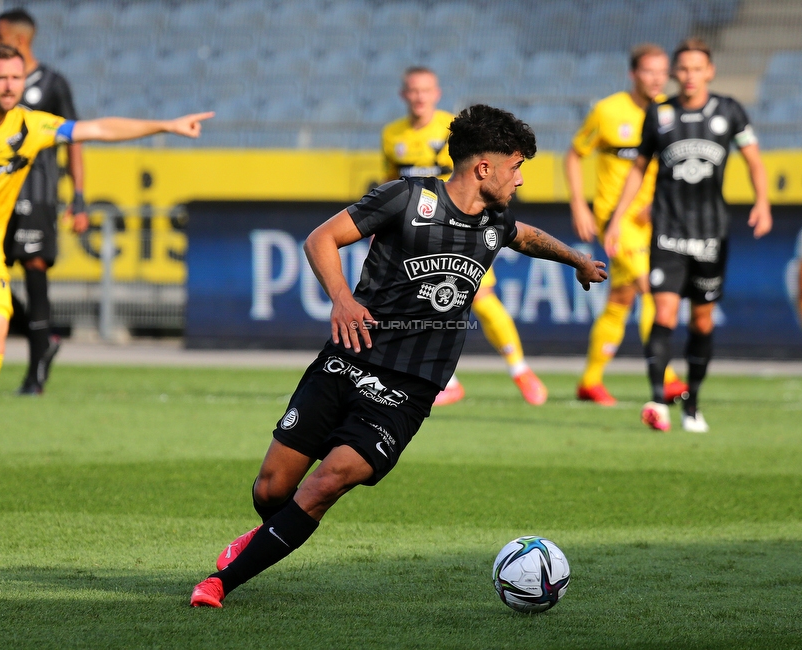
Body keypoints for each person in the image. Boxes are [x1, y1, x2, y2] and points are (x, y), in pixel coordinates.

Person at [191, 104, 607, 607]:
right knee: (271, 491)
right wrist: (343, 299)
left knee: (329, 481)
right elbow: (321, 238)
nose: (519, 180)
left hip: (408, 388)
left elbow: (528, 237)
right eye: (516, 166)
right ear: (483, 168)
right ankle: (263, 538)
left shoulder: (495, 223)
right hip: (346, 360)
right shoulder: (406, 197)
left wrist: (579, 260)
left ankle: (220, 583)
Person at [0, 44, 212, 469]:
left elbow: (98, 130)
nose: (9, 87)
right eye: (0, 78)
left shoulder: (32, 126)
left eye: (16, 78)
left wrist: (165, 125)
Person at [605, 38, 772, 433]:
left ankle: (692, 402)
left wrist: (762, 201)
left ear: (710, 72)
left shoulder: (729, 111)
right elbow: (637, 169)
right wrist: (617, 218)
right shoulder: (659, 115)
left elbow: (753, 159)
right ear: (674, 74)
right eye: (683, 69)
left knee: (701, 321)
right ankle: (657, 399)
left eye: (697, 69)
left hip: (711, 234)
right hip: (668, 231)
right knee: (663, 312)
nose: (689, 76)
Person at [382, 66, 548, 406]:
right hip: (418, 230)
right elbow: (393, 183)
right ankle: (448, 381)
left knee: (483, 299)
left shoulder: (452, 129)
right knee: (421, 300)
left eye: (425, 90)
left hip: (461, 225)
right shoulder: (392, 135)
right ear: (403, 95)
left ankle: (520, 370)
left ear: (436, 93)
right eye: (413, 91)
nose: (419, 97)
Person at [566, 43, 688, 406]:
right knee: (651, 286)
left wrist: (662, 202)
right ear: (633, 74)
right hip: (615, 219)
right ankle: (665, 375)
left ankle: (590, 381)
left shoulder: (670, 113)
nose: (656, 79)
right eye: (648, 71)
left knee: (620, 299)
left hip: (658, 218)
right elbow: (574, 155)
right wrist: (579, 205)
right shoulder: (607, 111)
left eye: (662, 72)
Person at [0, 8, 87, 395]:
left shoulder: (52, 83)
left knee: (34, 272)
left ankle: (35, 374)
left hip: (39, 191)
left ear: (18, 40)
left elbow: (75, 138)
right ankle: (43, 339)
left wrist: (78, 198)